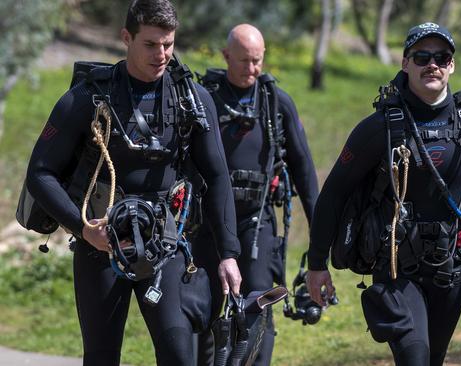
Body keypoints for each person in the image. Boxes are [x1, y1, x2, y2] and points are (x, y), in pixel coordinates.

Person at [24, 1, 241, 365]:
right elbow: (39, 174)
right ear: (126, 37)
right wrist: (83, 229)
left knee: (178, 352)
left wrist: (228, 254)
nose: (162, 54)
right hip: (101, 245)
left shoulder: (192, 99)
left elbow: (218, 176)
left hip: (165, 244)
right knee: (102, 356)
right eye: (151, 44)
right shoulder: (87, 98)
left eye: (168, 44)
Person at [306, 22, 461, 365]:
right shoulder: (379, 127)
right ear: (405, 63)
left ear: (452, 65)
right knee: (415, 357)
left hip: (452, 269)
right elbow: (334, 193)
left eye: (441, 57)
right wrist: (317, 264)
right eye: (422, 56)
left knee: (433, 359)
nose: (433, 65)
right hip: (396, 271)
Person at [193, 23, 319, 366]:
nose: (253, 69)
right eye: (245, 61)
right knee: (204, 308)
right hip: (208, 223)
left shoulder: (276, 103)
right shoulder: (205, 99)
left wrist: (321, 230)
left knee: (260, 303)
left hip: (255, 219)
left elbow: (304, 169)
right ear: (226, 56)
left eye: (258, 60)